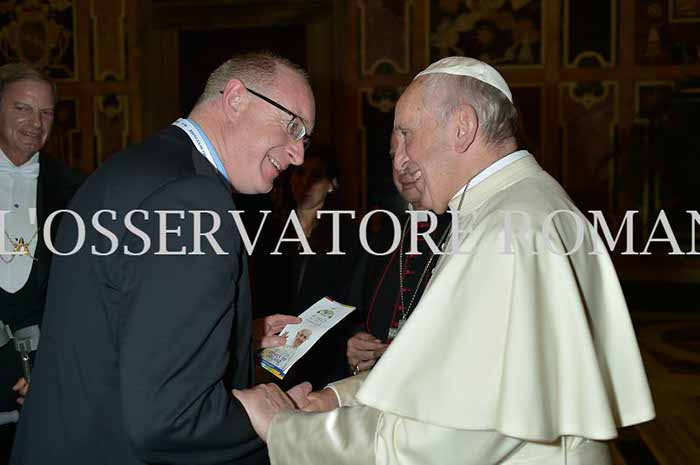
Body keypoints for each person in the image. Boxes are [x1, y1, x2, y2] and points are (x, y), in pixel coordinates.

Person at [235, 57, 656, 465]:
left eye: (406, 135)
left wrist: (284, 427)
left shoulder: (508, 231)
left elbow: (439, 438)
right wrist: (338, 397)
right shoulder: (515, 206)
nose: (399, 159)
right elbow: (442, 374)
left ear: (462, 126)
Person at [10, 53, 313, 465]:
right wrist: (261, 413)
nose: (298, 155)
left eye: (305, 140)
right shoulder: (194, 199)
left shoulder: (134, 167)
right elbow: (171, 420)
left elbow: (113, 323)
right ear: (236, 98)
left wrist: (236, 332)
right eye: (294, 126)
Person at [0, 63, 83, 464]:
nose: (36, 123)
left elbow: (84, 299)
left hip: (43, 394)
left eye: (46, 112)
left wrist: (53, 371)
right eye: (22, 108)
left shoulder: (78, 191)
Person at [251, 150, 365, 389]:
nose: (305, 182)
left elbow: (352, 300)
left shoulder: (348, 235)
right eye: (300, 173)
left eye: (316, 176)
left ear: (331, 185)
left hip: (326, 354)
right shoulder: (268, 229)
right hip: (272, 351)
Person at [346, 133, 451, 375]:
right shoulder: (385, 235)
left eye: (413, 153)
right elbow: (356, 314)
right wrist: (356, 349)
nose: (401, 165)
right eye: (394, 156)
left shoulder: (466, 230)